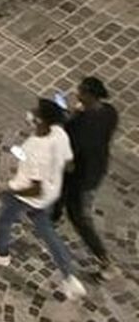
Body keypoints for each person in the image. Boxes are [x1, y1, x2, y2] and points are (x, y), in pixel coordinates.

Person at [0, 97, 84, 300]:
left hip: (28, 195)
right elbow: (69, 164)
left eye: (36, 111)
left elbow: (34, 189)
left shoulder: (36, 149)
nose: (31, 112)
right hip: (49, 196)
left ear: (41, 120)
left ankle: (1, 252)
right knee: (47, 233)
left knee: (5, 219)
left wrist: (7, 191)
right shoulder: (59, 134)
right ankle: (69, 277)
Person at [53, 77, 119, 277]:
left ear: (89, 95)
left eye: (80, 91)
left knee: (79, 217)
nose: (77, 94)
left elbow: (70, 148)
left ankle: (105, 261)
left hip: (80, 176)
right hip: (97, 168)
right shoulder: (109, 112)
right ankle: (53, 215)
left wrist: (68, 119)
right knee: (60, 189)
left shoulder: (80, 123)